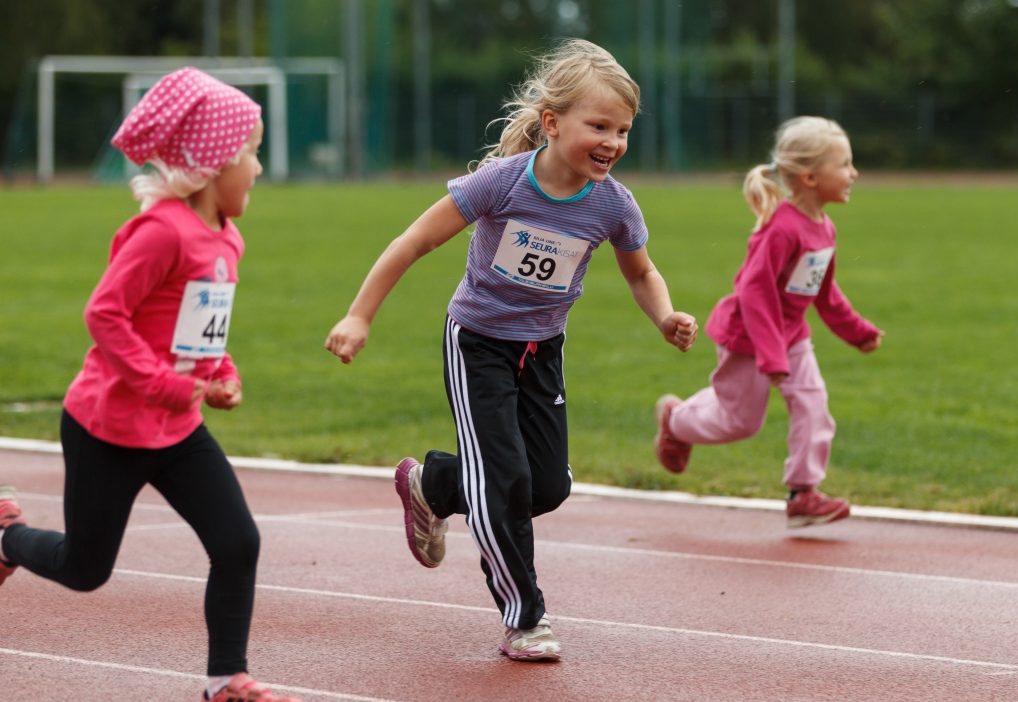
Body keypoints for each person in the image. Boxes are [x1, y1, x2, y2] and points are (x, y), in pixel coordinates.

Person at [324, 39, 697, 660]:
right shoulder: (500, 184)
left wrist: (665, 315)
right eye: (598, 125)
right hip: (477, 344)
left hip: (541, 350)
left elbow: (641, 273)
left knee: (545, 487)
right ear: (552, 124)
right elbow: (413, 241)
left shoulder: (613, 204)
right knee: (505, 479)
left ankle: (436, 485)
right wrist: (359, 316)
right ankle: (525, 616)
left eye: (624, 130)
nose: (613, 141)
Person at [0, 67, 299, 702]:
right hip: (107, 427)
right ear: (212, 162)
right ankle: (5, 539)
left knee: (237, 540)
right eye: (251, 153)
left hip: (177, 428)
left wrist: (221, 374)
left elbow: (201, 331)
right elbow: (104, 314)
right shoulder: (160, 231)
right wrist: (161, 384)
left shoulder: (227, 238)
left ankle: (226, 679)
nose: (259, 169)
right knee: (85, 570)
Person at [654, 115, 884, 528]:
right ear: (811, 177)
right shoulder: (781, 229)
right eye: (845, 165)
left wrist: (858, 332)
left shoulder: (824, 228)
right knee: (739, 421)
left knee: (814, 405)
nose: (854, 173)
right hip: (749, 338)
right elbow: (754, 293)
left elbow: (824, 293)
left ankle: (803, 494)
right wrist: (771, 356)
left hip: (792, 337)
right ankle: (676, 421)